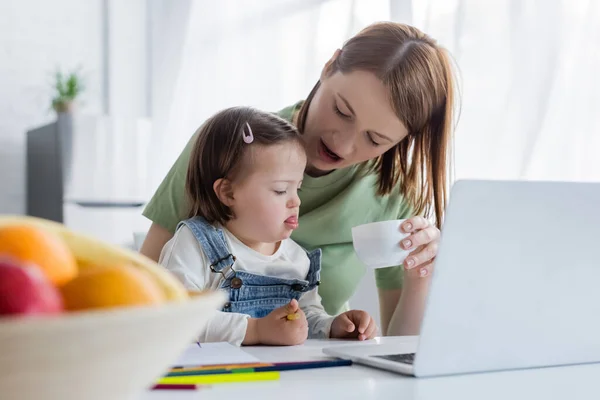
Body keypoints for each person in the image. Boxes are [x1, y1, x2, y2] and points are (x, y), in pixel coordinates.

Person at [141, 21, 458, 336]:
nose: (343, 144)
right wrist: (254, 332)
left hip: (315, 370)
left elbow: (399, 349)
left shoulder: (395, 193)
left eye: (375, 140)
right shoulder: (230, 145)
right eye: (342, 111)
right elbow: (145, 293)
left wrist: (420, 278)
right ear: (329, 66)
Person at [158, 106, 377, 346]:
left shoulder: (295, 257)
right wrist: (256, 330)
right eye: (281, 190)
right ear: (228, 192)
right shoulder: (193, 243)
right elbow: (176, 318)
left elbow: (307, 316)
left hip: (282, 379)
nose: (296, 201)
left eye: (298, 188)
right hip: (218, 378)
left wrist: (332, 326)